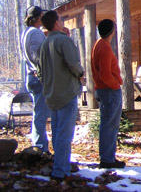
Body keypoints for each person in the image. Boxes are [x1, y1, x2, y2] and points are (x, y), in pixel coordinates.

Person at [37, 10, 84, 181]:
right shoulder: (64, 40)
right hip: (66, 93)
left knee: (57, 133)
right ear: (56, 23)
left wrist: (49, 86)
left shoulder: (43, 45)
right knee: (64, 133)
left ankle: (62, 165)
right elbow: (73, 64)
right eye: (60, 19)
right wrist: (80, 73)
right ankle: (59, 170)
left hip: (51, 95)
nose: (62, 21)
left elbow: (40, 73)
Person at [91, 19, 125, 169]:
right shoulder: (104, 47)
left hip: (103, 89)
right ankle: (107, 159)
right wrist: (115, 85)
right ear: (112, 31)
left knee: (108, 124)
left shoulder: (99, 44)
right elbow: (105, 74)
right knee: (110, 125)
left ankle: (107, 157)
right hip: (109, 91)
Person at [20, 5, 50, 154]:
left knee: (39, 113)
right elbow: (37, 56)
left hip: (31, 76)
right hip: (37, 77)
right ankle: (40, 147)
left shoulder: (27, 32)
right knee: (40, 115)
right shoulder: (35, 34)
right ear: (38, 18)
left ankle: (40, 145)